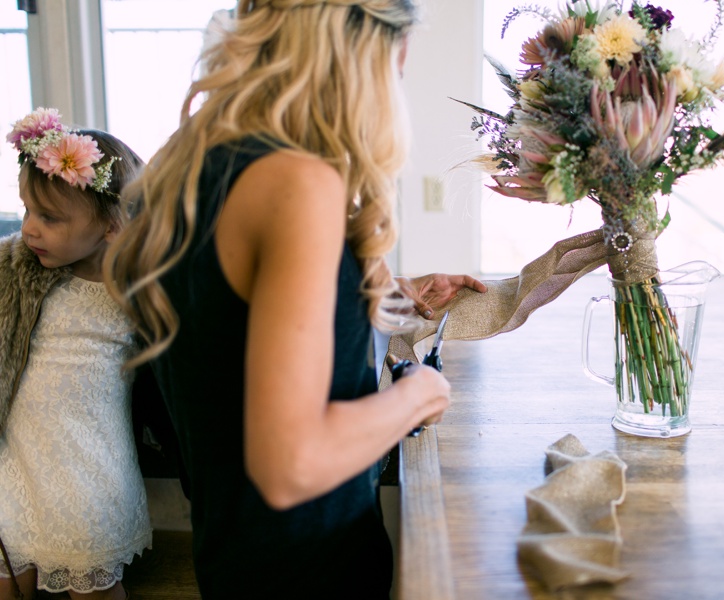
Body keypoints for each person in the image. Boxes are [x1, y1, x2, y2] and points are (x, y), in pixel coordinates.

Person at [103, 1, 485, 598]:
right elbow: (292, 465)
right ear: (370, 51)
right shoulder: (299, 183)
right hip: (310, 569)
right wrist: (418, 395)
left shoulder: (193, 155)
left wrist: (393, 301)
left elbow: (237, 331)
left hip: (232, 556)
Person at [0, 108, 150, 600]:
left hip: (89, 465)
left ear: (110, 225)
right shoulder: (17, 268)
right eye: (25, 210)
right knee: (11, 576)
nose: (30, 230)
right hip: (18, 457)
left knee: (90, 582)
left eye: (49, 217)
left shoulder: (137, 287)